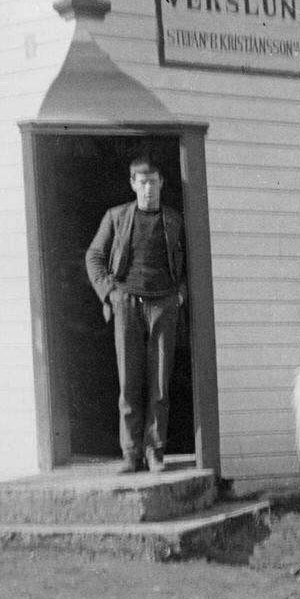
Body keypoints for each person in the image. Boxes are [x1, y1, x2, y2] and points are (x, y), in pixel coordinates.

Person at [85, 157, 186, 474]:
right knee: (129, 381)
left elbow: (192, 261)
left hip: (162, 305)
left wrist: (180, 294)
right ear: (133, 184)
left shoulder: (173, 219)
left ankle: (155, 451)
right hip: (126, 304)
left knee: (159, 384)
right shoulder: (115, 217)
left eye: (153, 182)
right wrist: (110, 293)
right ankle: (131, 453)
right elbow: (94, 257)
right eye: (142, 182)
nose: (148, 189)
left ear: (161, 184)